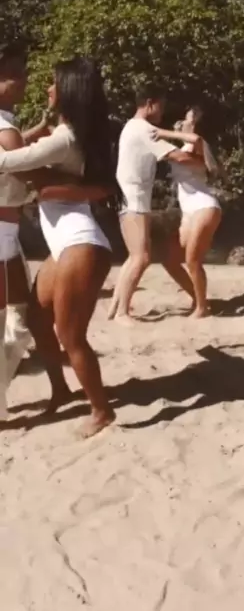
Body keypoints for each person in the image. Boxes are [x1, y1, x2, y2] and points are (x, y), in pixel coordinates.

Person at [0, 56, 120, 437]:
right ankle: (61, 390)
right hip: (68, 246)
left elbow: (7, 161)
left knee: (71, 336)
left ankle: (101, 411)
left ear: (69, 92)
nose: (48, 88)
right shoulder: (69, 134)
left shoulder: (65, 138)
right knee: (38, 321)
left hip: (79, 245)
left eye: (54, 83)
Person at [110, 86, 206, 325]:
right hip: (133, 199)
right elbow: (178, 156)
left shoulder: (132, 127)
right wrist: (203, 163)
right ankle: (122, 313)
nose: (162, 112)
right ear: (150, 103)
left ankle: (115, 309)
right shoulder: (143, 129)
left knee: (134, 257)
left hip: (131, 199)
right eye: (161, 106)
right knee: (141, 257)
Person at [164, 105, 222, 318]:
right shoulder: (186, 147)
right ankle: (199, 299)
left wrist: (162, 136)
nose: (181, 121)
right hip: (189, 210)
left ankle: (202, 307)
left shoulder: (197, 144)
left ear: (194, 125)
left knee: (192, 260)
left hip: (203, 207)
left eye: (186, 119)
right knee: (170, 260)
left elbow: (183, 155)